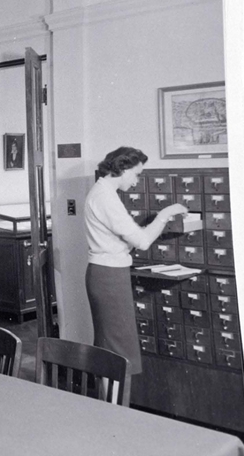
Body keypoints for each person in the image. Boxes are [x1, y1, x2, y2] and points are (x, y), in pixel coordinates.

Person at [84, 146, 188, 375]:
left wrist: (136, 232)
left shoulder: (102, 192)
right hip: (109, 277)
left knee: (110, 346)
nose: (137, 182)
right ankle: (112, 408)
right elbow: (142, 242)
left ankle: (108, 406)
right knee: (117, 348)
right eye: (137, 174)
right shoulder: (105, 197)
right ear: (123, 168)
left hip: (106, 273)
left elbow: (120, 236)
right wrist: (165, 214)